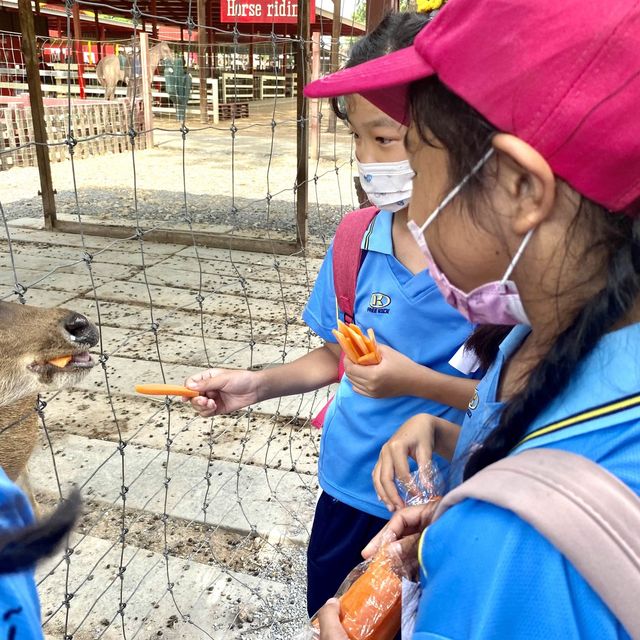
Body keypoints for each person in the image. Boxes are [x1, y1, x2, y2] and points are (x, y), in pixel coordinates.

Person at [304, 0, 640, 637]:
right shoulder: (544, 342)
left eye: (419, 163)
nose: (409, 199)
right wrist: (454, 521)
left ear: (520, 188)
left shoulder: (519, 543)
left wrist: (475, 540)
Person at [184, 12, 479, 617]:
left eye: (386, 139)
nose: (366, 159)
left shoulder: (494, 267)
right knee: (333, 618)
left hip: (442, 501)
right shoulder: (356, 241)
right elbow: (336, 354)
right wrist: (257, 385)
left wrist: (415, 383)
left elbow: (513, 405)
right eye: (356, 138)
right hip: (348, 487)